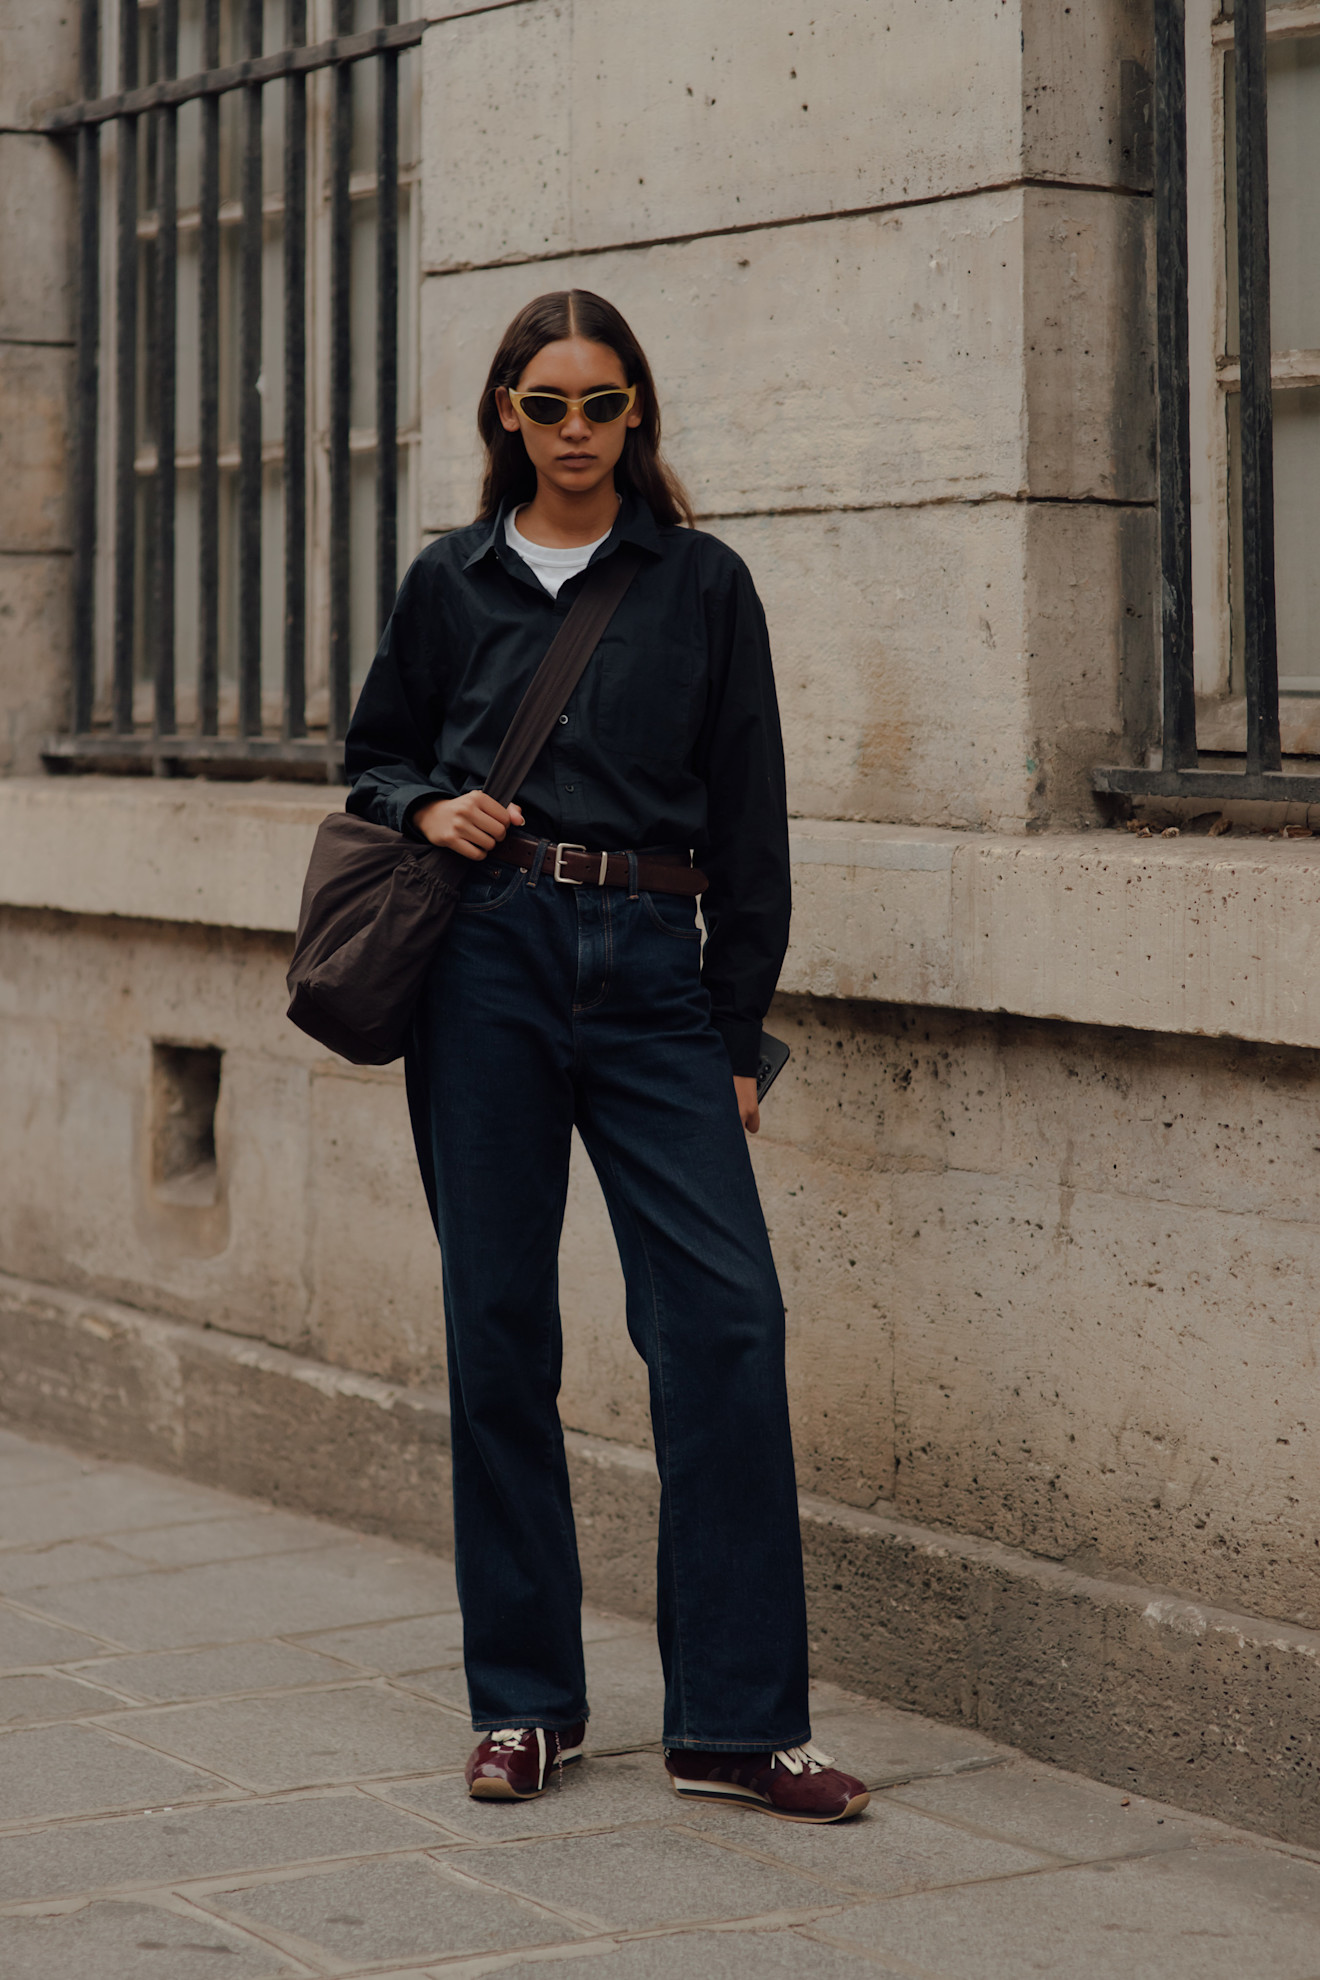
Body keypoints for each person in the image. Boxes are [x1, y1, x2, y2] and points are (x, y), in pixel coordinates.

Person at [344, 289, 868, 1824]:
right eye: (548, 403)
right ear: (506, 413)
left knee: (725, 1328)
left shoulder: (702, 583)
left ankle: (738, 1722)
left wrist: (738, 1032)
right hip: (486, 969)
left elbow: (753, 813)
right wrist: (421, 809)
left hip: (651, 976)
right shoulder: (449, 582)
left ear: (640, 417)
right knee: (499, 1331)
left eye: (605, 403)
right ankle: (523, 1704)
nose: (577, 430)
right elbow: (374, 754)